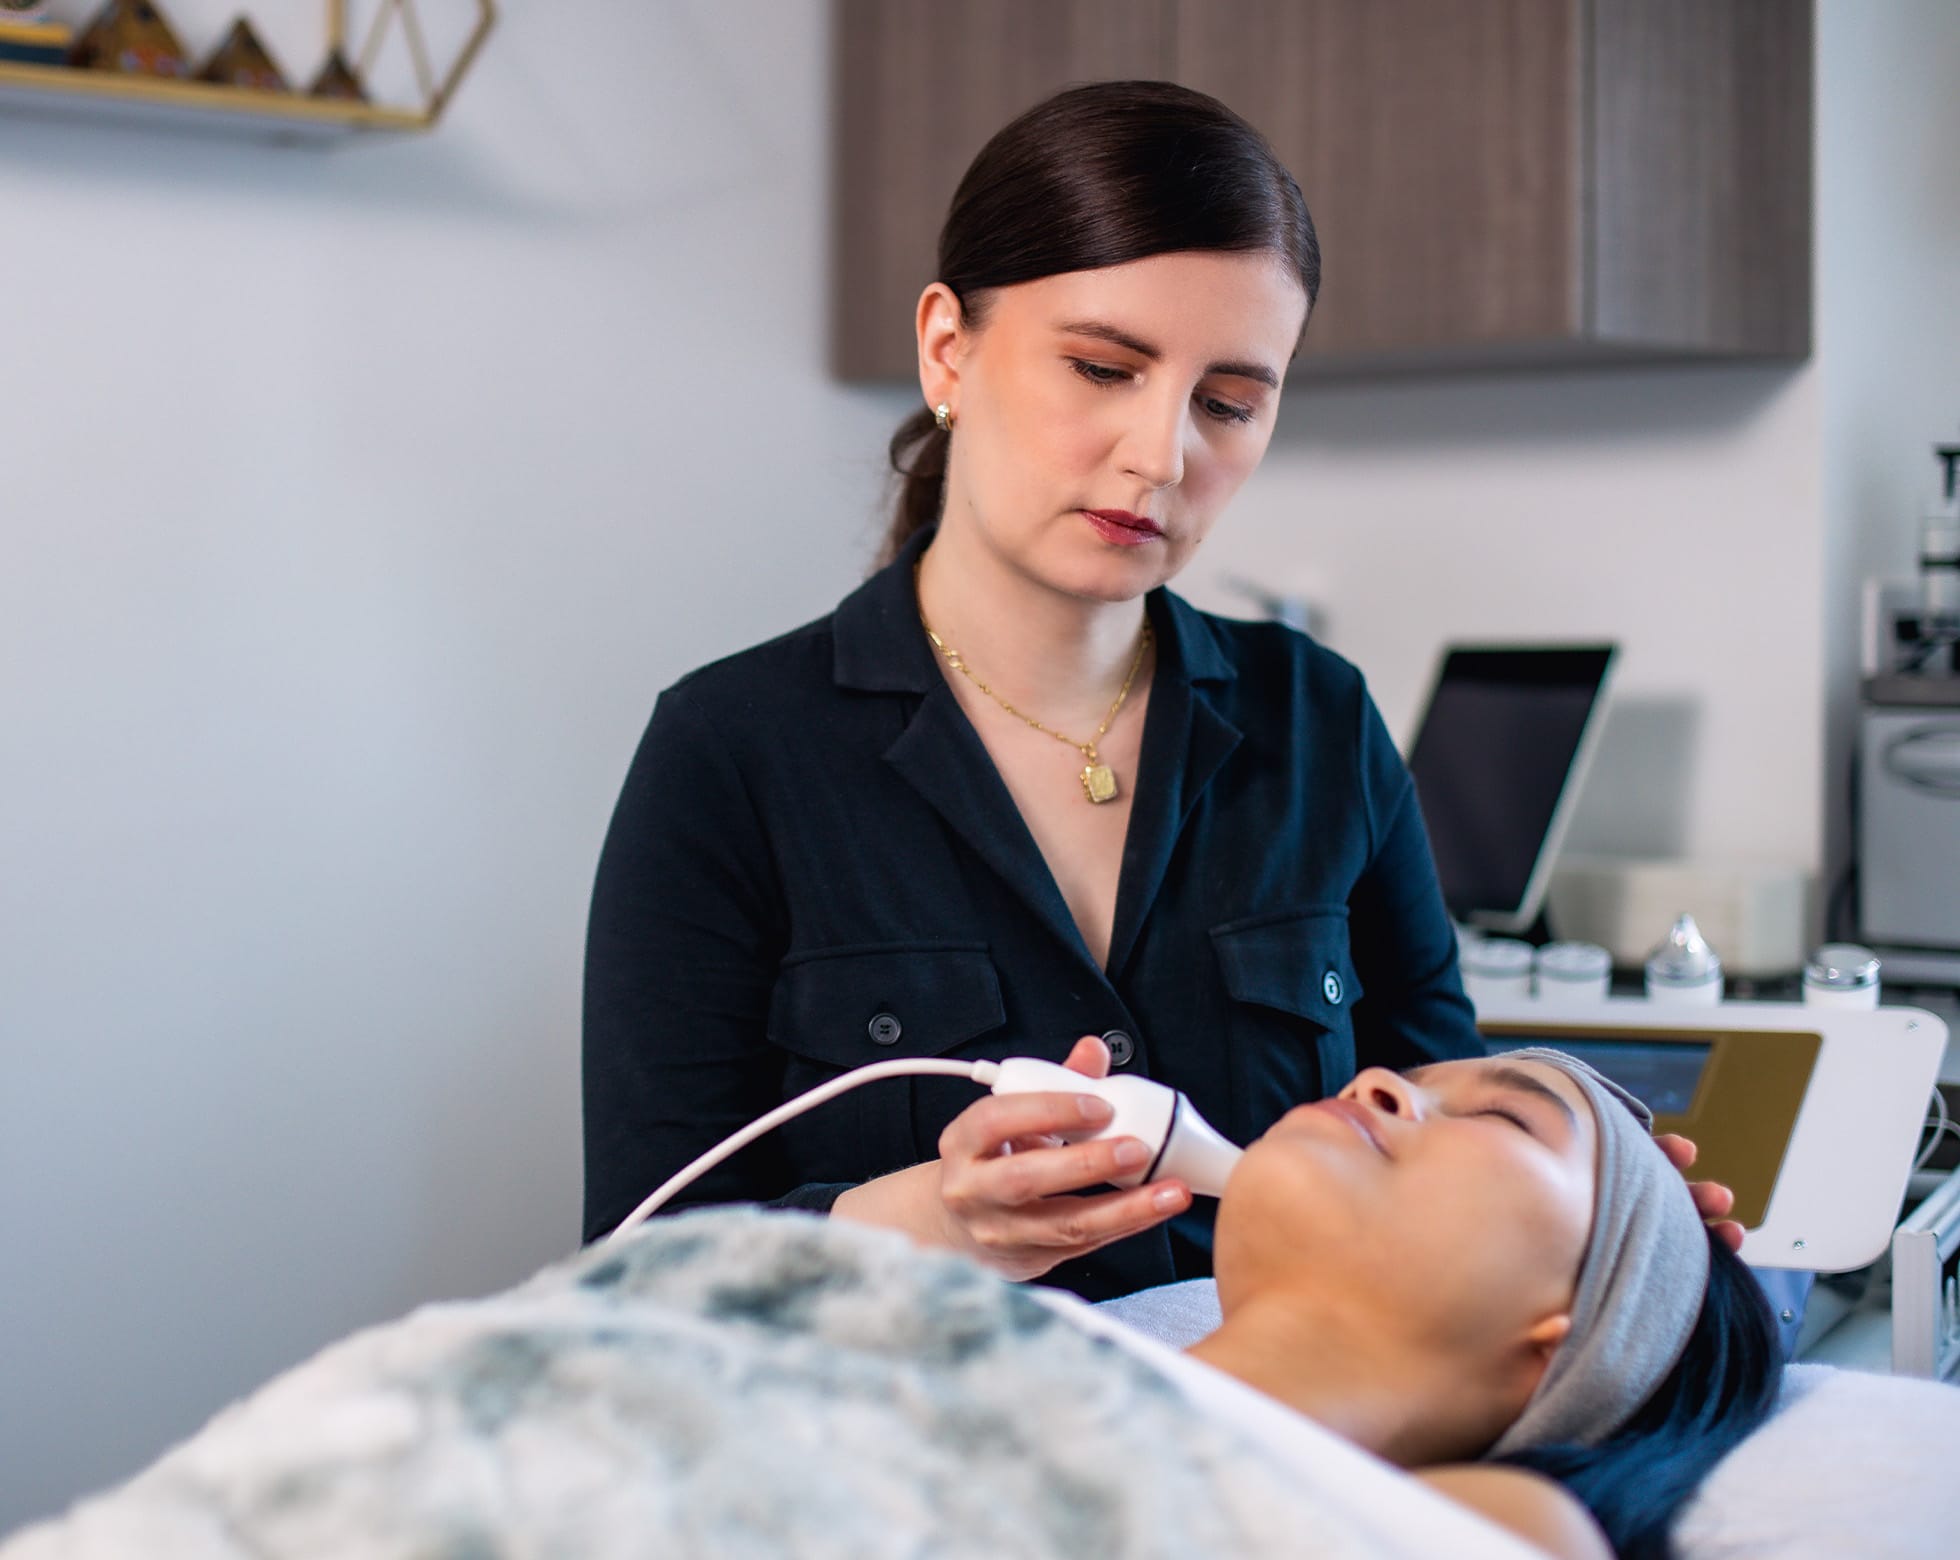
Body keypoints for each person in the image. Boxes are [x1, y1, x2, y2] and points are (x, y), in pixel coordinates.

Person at [581, 78, 1739, 1302]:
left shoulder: (1318, 724)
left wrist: (1594, 1222)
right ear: (947, 350)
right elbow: (638, 1272)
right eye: (1099, 368)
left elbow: (1430, 1127)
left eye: (1229, 403)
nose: (1162, 455)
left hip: (1275, 1441)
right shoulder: (732, 752)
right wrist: (921, 1219)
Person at [1069, 1048, 1784, 1560]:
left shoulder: (1505, 1524)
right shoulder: (1003, 1333)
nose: (1371, 1081)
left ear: (1570, 1337)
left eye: (1506, 1118)